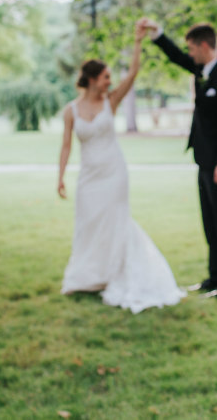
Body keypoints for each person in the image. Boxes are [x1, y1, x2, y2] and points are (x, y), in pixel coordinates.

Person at [58, 22, 185, 312]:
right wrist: (61, 177)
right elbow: (66, 146)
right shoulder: (71, 110)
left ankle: (113, 273)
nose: (109, 82)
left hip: (114, 172)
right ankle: (86, 276)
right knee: (88, 223)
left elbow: (133, 73)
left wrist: (138, 41)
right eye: (104, 77)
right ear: (91, 79)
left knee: (115, 222)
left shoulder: (111, 102)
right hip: (89, 176)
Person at [138, 19, 217, 298]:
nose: (190, 53)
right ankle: (213, 276)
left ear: (205, 46)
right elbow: (177, 57)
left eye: (192, 48)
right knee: (209, 220)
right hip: (204, 160)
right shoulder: (201, 70)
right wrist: (157, 35)